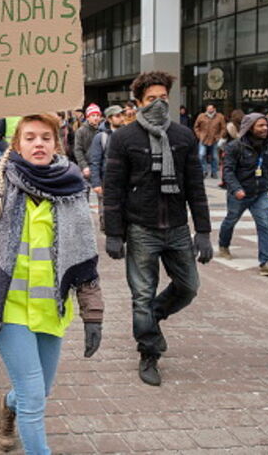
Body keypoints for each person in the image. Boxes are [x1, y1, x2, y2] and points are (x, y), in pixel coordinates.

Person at [0, 111, 103, 454]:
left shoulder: (73, 188)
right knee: (34, 397)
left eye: (46, 137)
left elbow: (86, 258)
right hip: (8, 307)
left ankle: (5, 405)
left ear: (56, 143)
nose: (38, 144)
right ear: (17, 143)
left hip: (51, 308)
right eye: (30, 137)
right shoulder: (2, 182)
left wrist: (94, 314)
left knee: (39, 390)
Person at [102, 71, 212, 387]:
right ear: (137, 103)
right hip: (141, 228)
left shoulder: (183, 137)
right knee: (141, 295)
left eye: (163, 98)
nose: (159, 103)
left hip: (177, 227)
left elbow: (195, 186)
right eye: (152, 99)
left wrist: (202, 230)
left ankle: (155, 315)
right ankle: (149, 352)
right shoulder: (124, 139)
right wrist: (114, 232)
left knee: (189, 287)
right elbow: (113, 188)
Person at [217, 113, 268, 275]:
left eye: (266, 125)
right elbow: (228, 171)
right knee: (230, 220)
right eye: (260, 125)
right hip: (240, 193)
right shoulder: (235, 147)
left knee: (264, 225)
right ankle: (223, 245)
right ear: (249, 127)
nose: (265, 128)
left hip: (260, 193)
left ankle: (266, 262)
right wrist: (236, 188)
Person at [88, 105, 125, 231]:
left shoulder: (128, 134)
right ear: (109, 119)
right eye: (117, 116)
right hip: (107, 179)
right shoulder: (101, 137)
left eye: (122, 115)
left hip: (125, 179)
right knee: (106, 211)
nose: (121, 118)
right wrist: (96, 183)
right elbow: (95, 161)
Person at [193, 103, 226, 178]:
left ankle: (214, 172)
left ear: (214, 109)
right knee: (201, 155)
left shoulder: (219, 116)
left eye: (211, 109)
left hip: (215, 139)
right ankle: (204, 171)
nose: (209, 110)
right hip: (203, 139)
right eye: (208, 109)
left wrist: (220, 136)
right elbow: (196, 127)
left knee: (215, 157)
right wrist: (199, 135)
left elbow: (223, 128)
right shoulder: (201, 116)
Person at [72, 104, 102, 181]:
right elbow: (78, 150)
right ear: (88, 117)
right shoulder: (81, 131)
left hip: (101, 165)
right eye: (93, 115)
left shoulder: (102, 130)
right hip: (88, 166)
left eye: (98, 115)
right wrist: (84, 166)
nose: (96, 118)